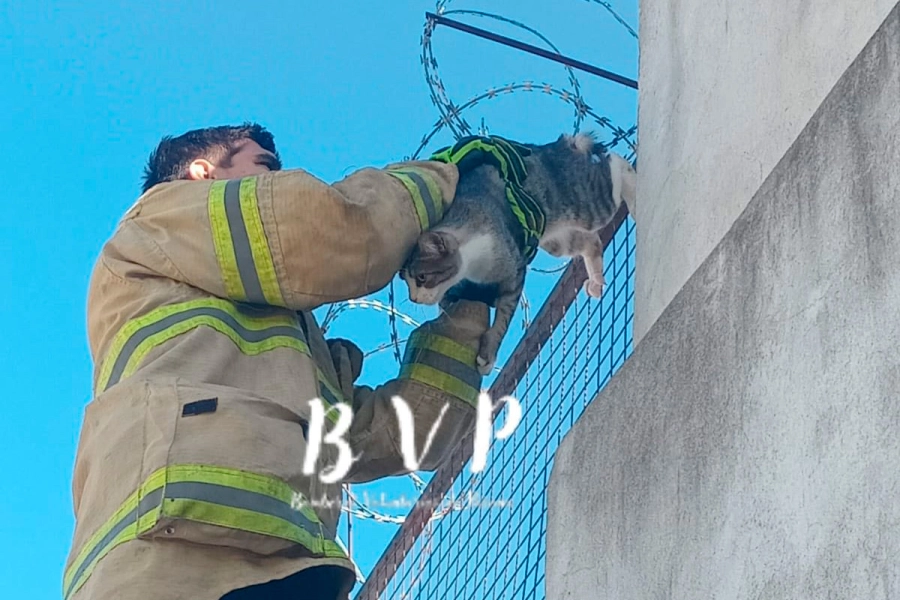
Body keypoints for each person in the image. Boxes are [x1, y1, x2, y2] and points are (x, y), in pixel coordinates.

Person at [62, 123, 496, 600]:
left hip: (283, 571)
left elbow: (407, 437)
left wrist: (470, 300)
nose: (277, 181)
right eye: (264, 166)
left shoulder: (290, 349)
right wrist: (449, 174)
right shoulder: (161, 220)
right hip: (167, 563)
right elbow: (339, 233)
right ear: (203, 172)